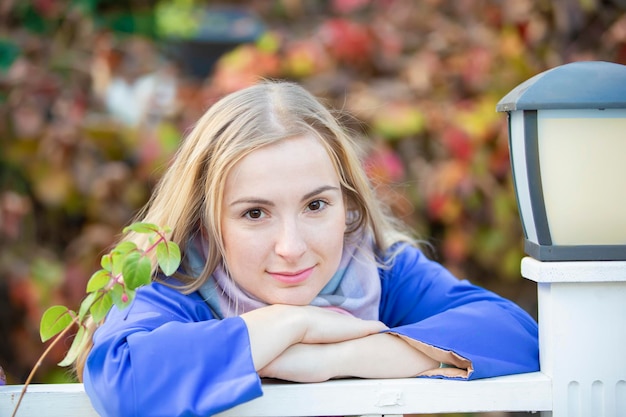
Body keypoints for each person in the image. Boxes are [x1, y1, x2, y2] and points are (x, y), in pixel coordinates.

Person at [79, 81, 539, 417]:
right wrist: (289, 322)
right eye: (254, 213)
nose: (292, 247)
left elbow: (517, 337)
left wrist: (338, 357)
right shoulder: (177, 282)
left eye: (316, 205)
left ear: (348, 204)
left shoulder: (377, 268)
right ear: (206, 220)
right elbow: (125, 376)